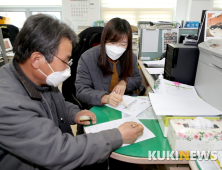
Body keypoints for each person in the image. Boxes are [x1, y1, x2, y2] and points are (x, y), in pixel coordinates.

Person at [0, 14, 144, 170]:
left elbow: (54, 103)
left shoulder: (38, 76)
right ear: (36, 60)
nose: (67, 69)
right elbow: (58, 151)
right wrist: (117, 136)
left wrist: (74, 113)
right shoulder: (8, 104)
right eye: (64, 61)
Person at [75, 18, 142, 107]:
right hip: (100, 106)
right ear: (104, 40)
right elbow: (81, 91)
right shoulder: (87, 58)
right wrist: (105, 98)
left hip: (123, 104)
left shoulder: (130, 56)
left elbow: (137, 78)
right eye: (113, 42)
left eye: (122, 44)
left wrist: (125, 82)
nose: (117, 48)